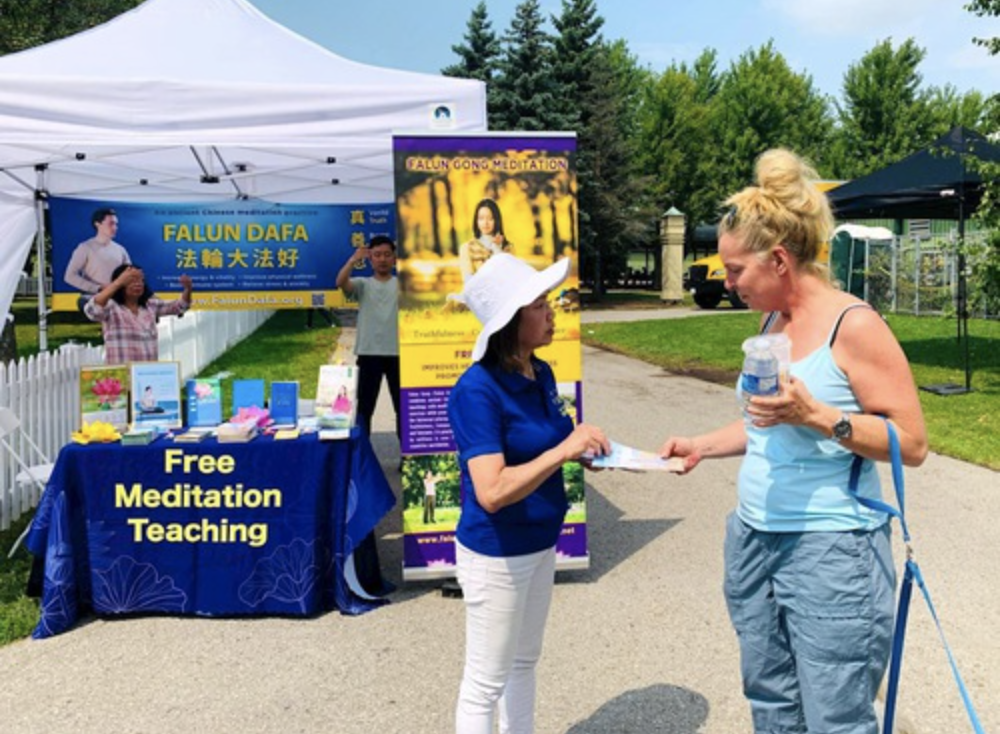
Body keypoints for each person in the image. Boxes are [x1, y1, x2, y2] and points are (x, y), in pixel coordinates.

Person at [659, 148, 928, 734]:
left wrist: (820, 416)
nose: (727, 283)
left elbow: (911, 443)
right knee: (774, 703)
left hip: (831, 550)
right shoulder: (771, 323)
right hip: (755, 537)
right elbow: (763, 421)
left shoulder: (853, 325)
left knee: (836, 714)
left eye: (736, 271)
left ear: (779, 259)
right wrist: (703, 444)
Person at [447, 253, 609, 734]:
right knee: (484, 682)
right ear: (510, 320)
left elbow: (548, 445)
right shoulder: (475, 391)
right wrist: (562, 452)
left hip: (540, 542)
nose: (551, 311)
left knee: (523, 664)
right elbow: (492, 491)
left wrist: (585, 450)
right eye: (539, 304)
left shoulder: (539, 372)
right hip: (497, 552)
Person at [335, 235, 400, 441]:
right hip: (369, 353)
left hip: (398, 354)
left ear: (394, 259)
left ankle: (407, 457)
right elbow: (340, 282)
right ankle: (364, 457)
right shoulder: (363, 284)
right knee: (365, 408)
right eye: (377, 255)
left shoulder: (403, 285)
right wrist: (353, 260)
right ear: (370, 258)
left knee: (403, 408)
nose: (382, 259)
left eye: (387, 255)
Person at [85, 264, 193, 365]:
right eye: (132, 280)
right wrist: (117, 283)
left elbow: (180, 306)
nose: (138, 284)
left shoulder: (150, 305)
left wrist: (188, 289)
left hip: (147, 375)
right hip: (121, 377)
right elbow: (92, 310)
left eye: (141, 280)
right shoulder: (111, 307)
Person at [64, 208, 132, 307]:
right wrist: (98, 288)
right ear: (97, 224)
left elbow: (130, 275)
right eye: (111, 223)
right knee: (87, 301)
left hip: (116, 296)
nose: (115, 227)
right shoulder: (85, 247)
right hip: (93, 296)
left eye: (116, 224)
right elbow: (69, 276)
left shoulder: (120, 250)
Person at [457, 198, 512, 283]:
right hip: (479, 294)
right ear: (476, 221)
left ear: (497, 220)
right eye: (481, 218)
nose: (485, 223)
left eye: (490, 218)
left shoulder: (508, 248)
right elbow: (469, 282)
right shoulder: (467, 248)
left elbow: (509, 276)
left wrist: (497, 249)